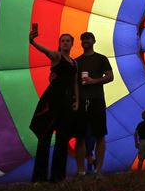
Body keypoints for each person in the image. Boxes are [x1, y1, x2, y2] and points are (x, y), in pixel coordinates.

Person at [29, 26, 79, 182]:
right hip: (52, 101)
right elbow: (45, 51)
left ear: (72, 44)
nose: (65, 43)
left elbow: (75, 82)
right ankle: (39, 178)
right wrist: (32, 41)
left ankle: (58, 176)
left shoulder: (74, 63)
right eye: (63, 41)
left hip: (67, 102)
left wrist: (77, 100)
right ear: (60, 44)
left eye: (68, 41)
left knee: (62, 140)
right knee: (45, 137)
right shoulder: (57, 56)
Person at [74, 32, 114, 176]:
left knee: (100, 135)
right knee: (79, 136)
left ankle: (98, 170)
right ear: (81, 42)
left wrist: (94, 81)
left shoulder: (101, 59)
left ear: (94, 41)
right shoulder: (76, 61)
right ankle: (81, 171)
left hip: (97, 100)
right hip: (82, 101)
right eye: (83, 39)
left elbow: (110, 76)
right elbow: (73, 83)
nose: (85, 41)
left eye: (88, 38)